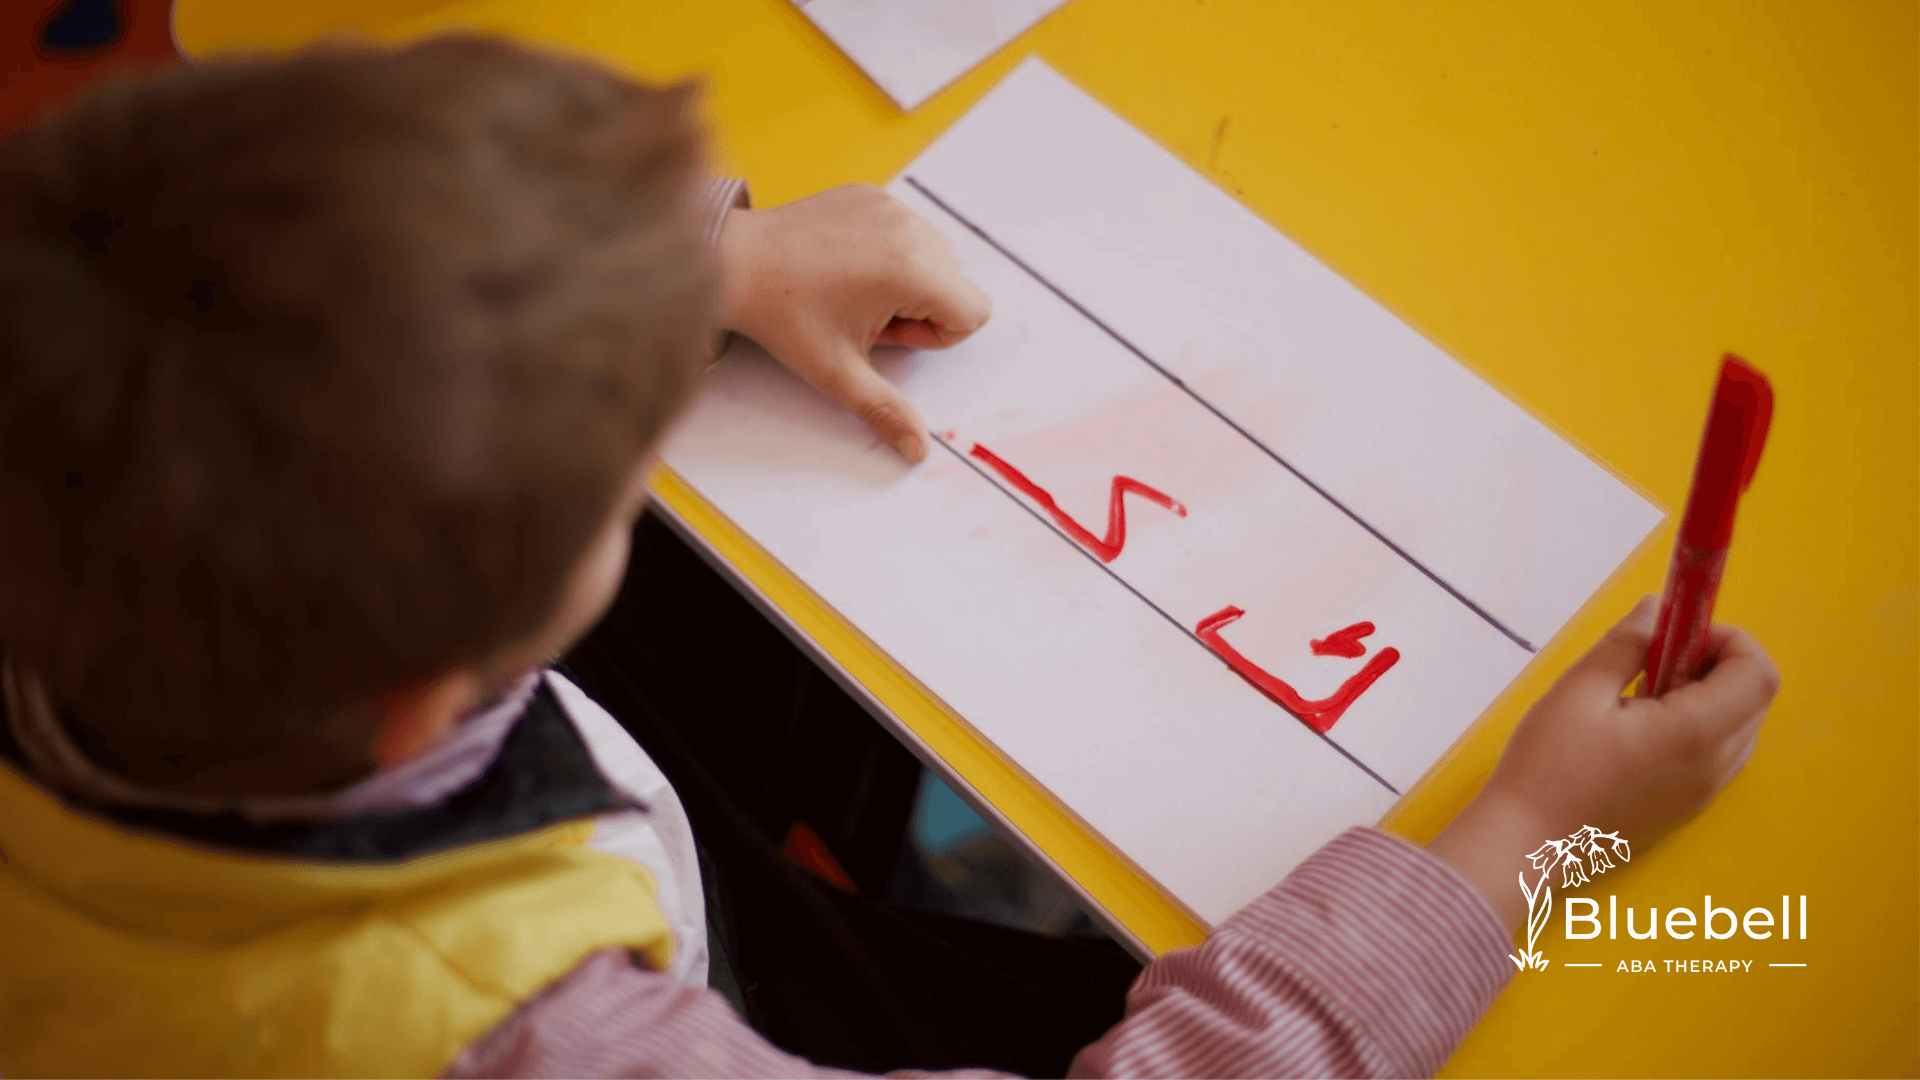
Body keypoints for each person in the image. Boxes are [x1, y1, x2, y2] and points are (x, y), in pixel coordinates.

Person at [0, 36, 1779, 1078]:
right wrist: (1535, 838)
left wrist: (711, 271)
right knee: (1086, 989)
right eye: (611, 456)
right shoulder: (563, 1048)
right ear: (417, 694)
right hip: (655, 962)